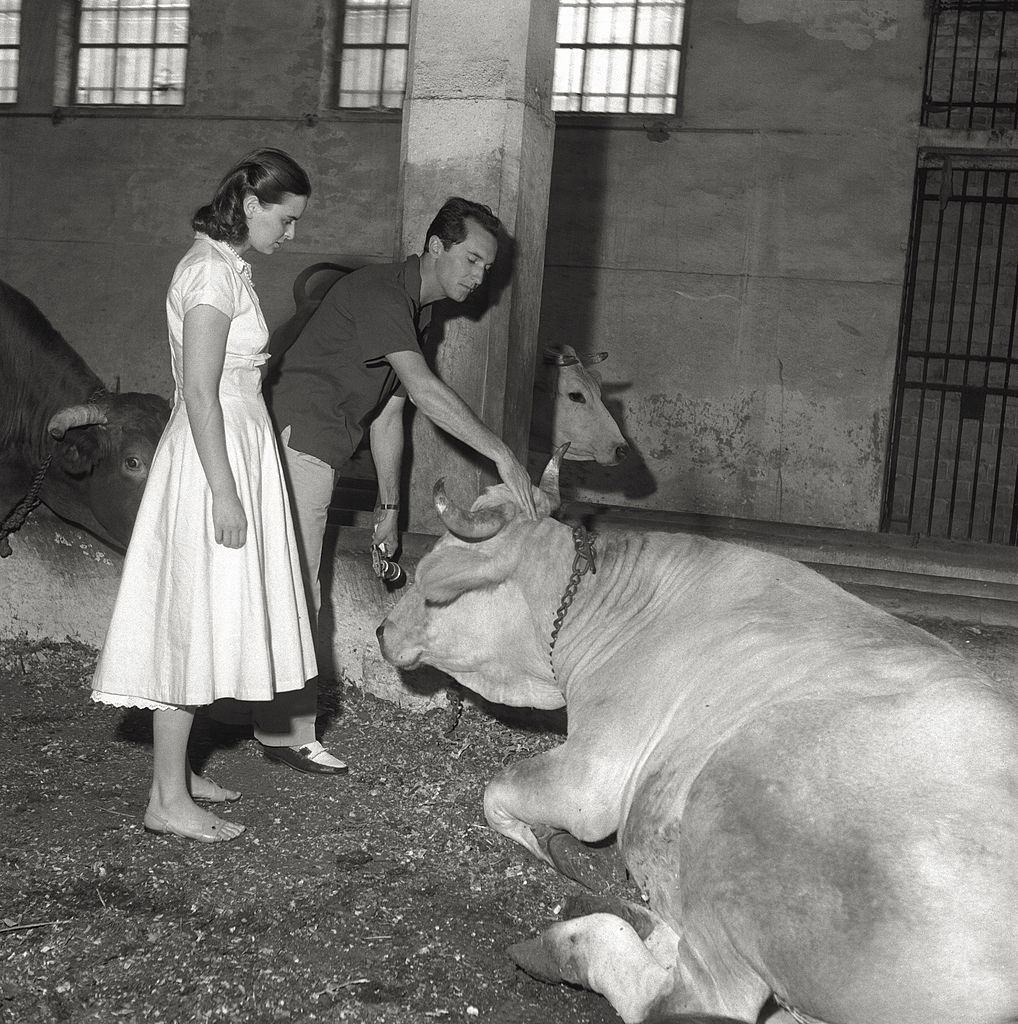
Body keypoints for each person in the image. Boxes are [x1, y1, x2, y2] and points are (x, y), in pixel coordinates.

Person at [260, 196, 536, 775]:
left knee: (283, 584)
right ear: (435, 246)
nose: (478, 276)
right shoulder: (382, 291)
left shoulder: (417, 311)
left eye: (486, 266)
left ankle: (260, 714)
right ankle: (285, 733)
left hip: (323, 445)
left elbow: (390, 409)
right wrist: (503, 456)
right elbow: (426, 391)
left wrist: (389, 505)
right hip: (296, 439)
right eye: (471, 259)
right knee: (299, 588)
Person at [91, 149, 318, 842]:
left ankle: (180, 775)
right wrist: (224, 489)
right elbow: (196, 390)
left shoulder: (224, 269)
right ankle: (165, 801)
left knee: (211, 613)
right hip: (211, 456)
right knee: (190, 621)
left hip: (233, 446)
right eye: (287, 219)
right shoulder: (210, 275)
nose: (292, 233)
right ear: (252, 205)